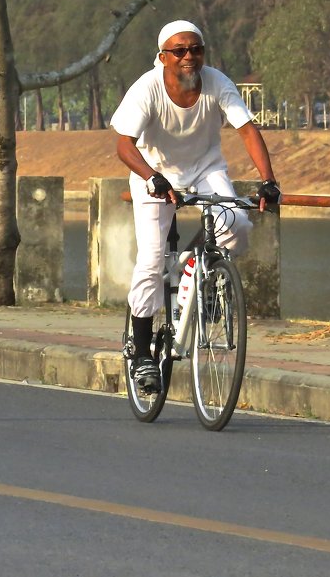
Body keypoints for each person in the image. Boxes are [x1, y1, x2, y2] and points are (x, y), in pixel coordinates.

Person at [111, 20, 281, 395]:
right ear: (163, 57)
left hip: (206, 169)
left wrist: (268, 179)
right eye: (180, 51)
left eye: (196, 49)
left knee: (236, 225)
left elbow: (247, 129)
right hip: (153, 174)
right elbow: (124, 145)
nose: (190, 57)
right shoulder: (147, 88)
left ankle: (199, 274)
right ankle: (141, 353)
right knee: (153, 261)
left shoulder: (217, 82)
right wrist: (152, 176)